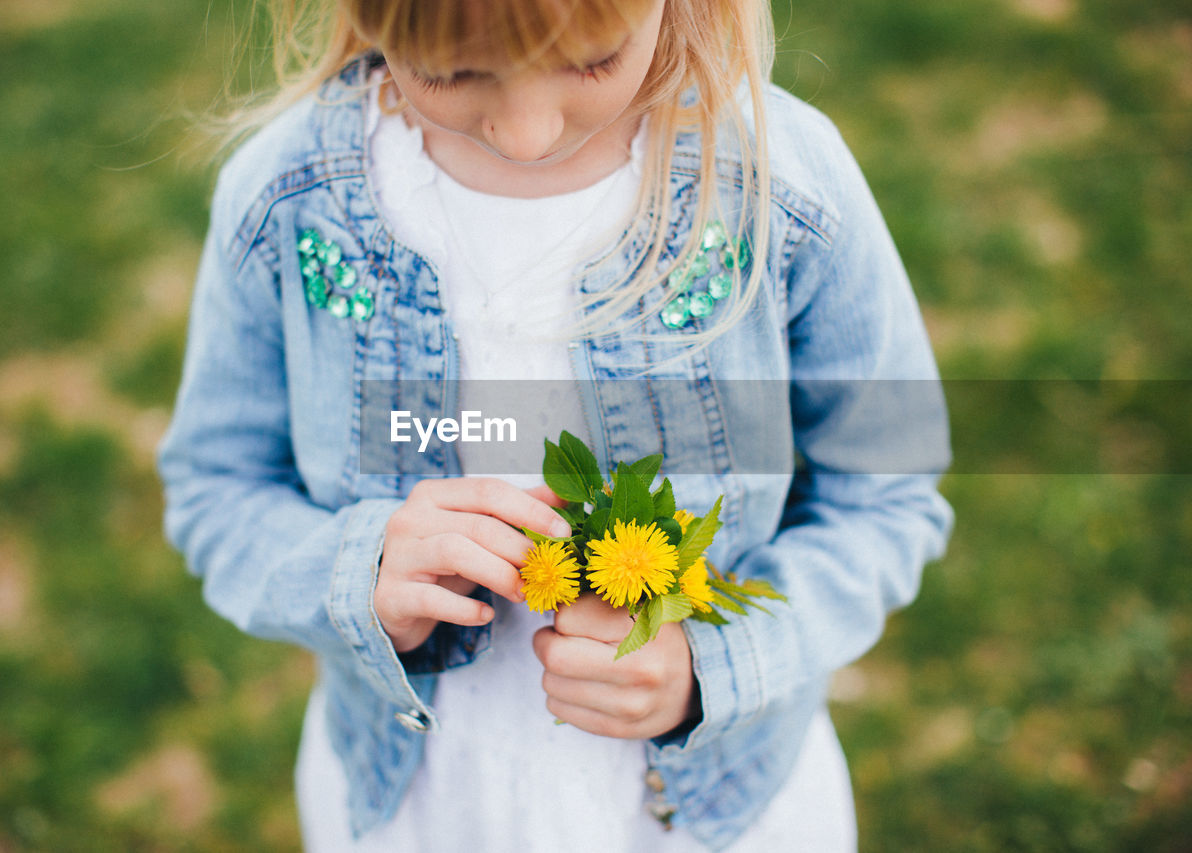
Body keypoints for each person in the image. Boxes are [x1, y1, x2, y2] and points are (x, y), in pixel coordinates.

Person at [158, 0, 953, 849]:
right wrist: (362, 576)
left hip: (715, 811)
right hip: (425, 803)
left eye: (592, 60)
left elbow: (888, 492)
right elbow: (219, 486)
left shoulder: (782, 188)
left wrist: (712, 667)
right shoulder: (286, 201)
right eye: (454, 74)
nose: (528, 132)